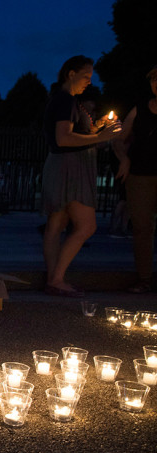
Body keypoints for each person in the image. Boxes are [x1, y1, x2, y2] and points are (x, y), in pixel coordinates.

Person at [41, 56, 121, 298]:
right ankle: (56, 279)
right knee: (86, 225)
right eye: (86, 76)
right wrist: (101, 137)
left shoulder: (63, 100)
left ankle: (53, 278)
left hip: (60, 166)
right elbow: (64, 138)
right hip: (71, 169)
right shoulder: (65, 100)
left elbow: (67, 135)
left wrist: (96, 129)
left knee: (56, 225)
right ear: (71, 74)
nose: (89, 81)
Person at [113, 65, 157, 294]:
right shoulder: (140, 109)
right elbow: (119, 138)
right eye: (154, 79)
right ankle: (144, 278)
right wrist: (124, 159)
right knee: (141, 228)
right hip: (140, 175)